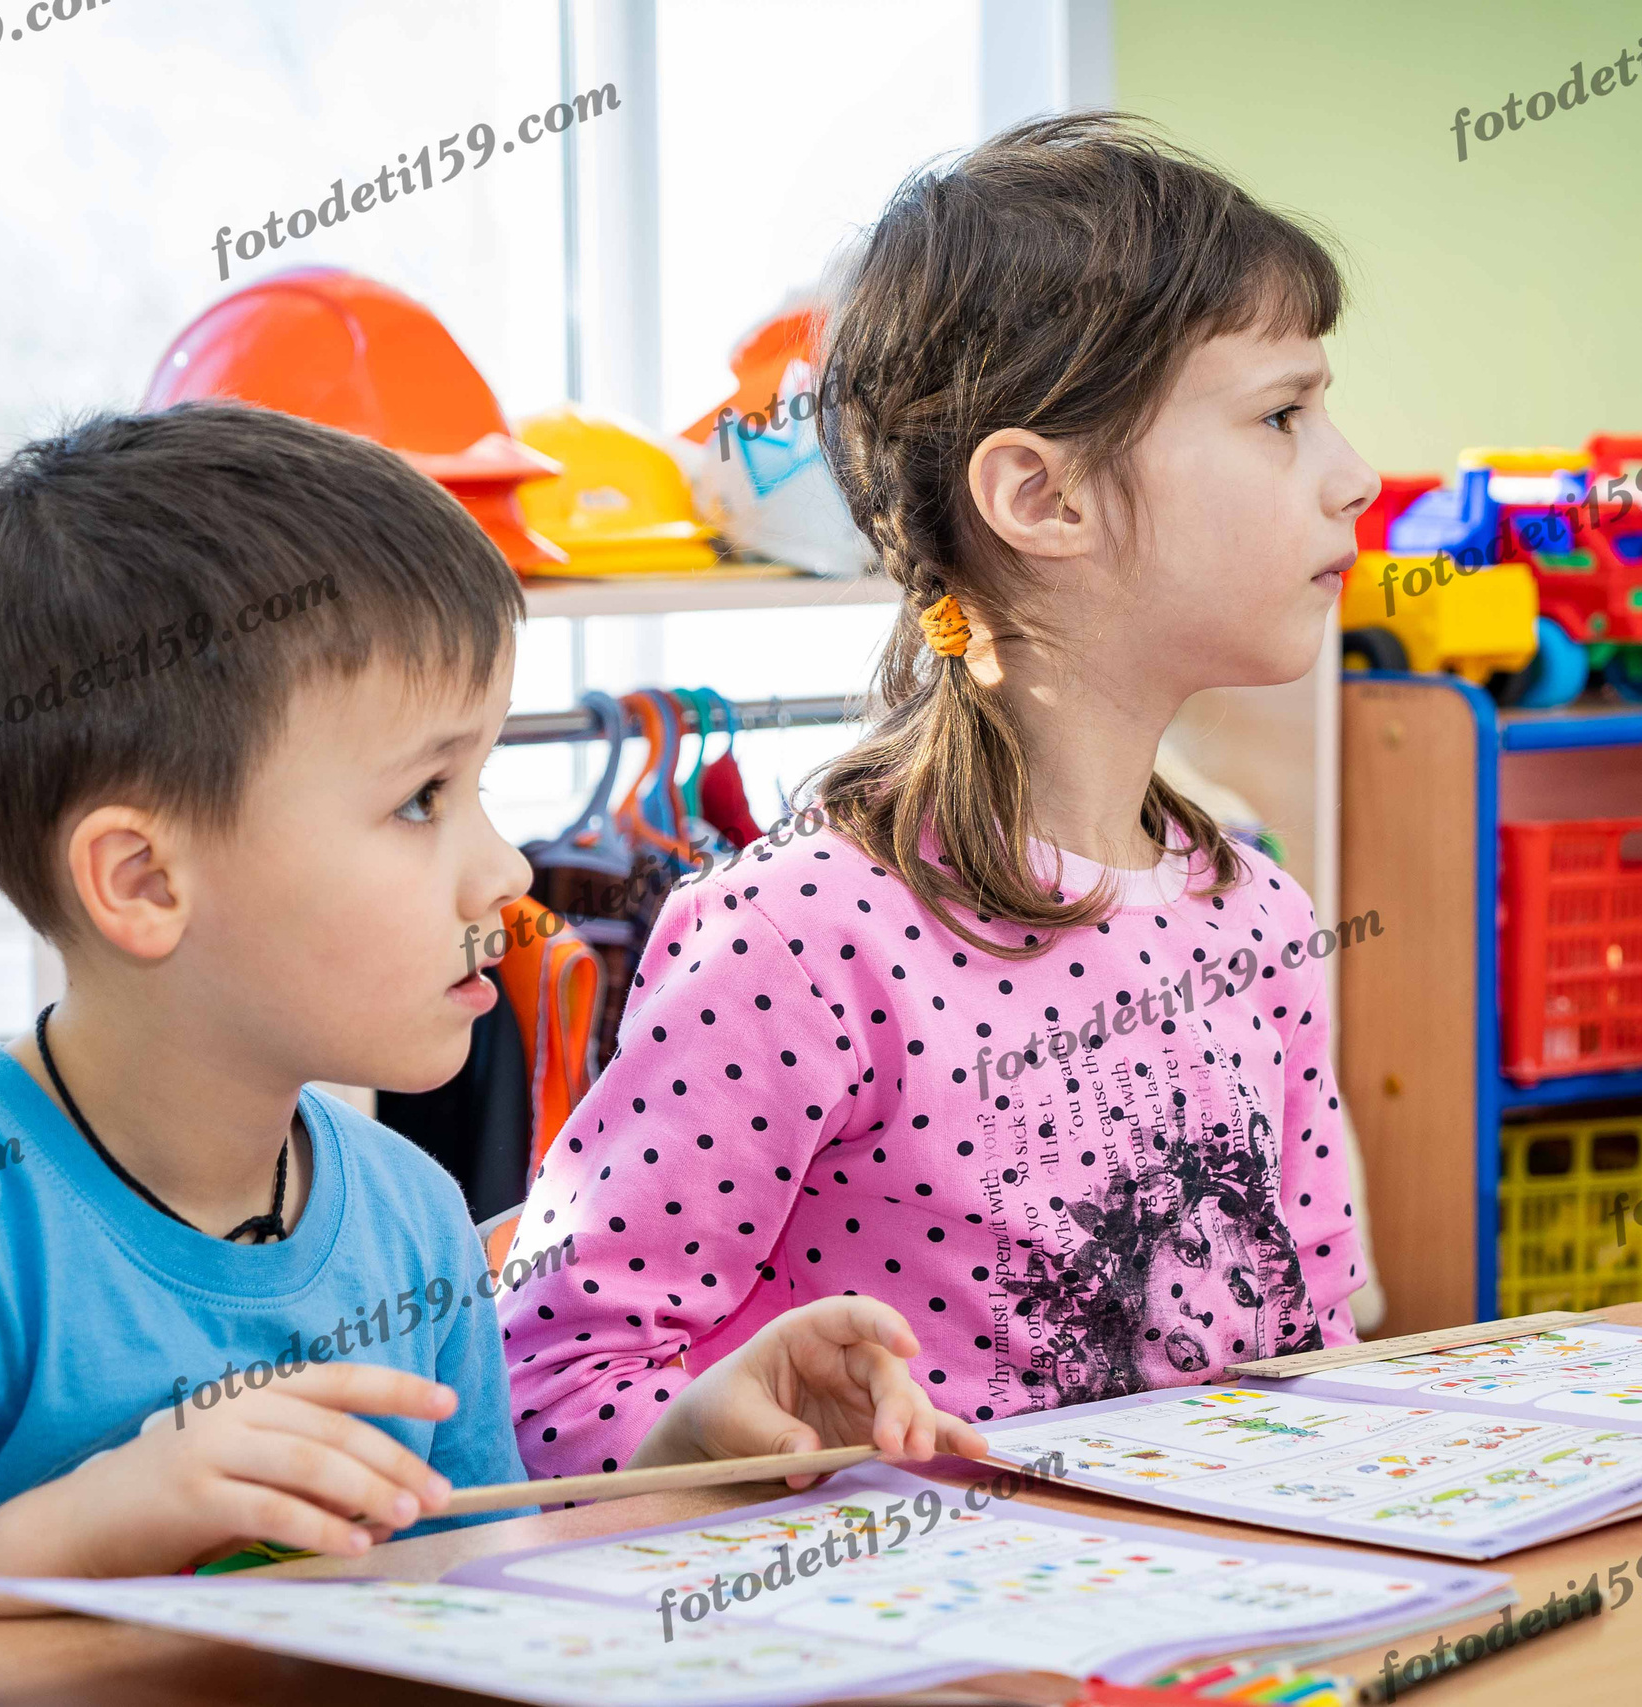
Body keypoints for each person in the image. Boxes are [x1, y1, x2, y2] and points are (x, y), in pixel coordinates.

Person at [0, 403, 982, 1707]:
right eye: (421, 800)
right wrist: (83, 1531)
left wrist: (691, 1462)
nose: (507, 870)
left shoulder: (408, 1217)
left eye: (481, 786)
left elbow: (461, 1598)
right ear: (144, 882)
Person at [500, 112, 1375, 1480]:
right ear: (1044, 495)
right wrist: (709, 1440)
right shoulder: (798, 935)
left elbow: (1316, 1346)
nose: (1355, 475)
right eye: (1281, 416)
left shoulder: (1257, 914)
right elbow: (548, 1383)